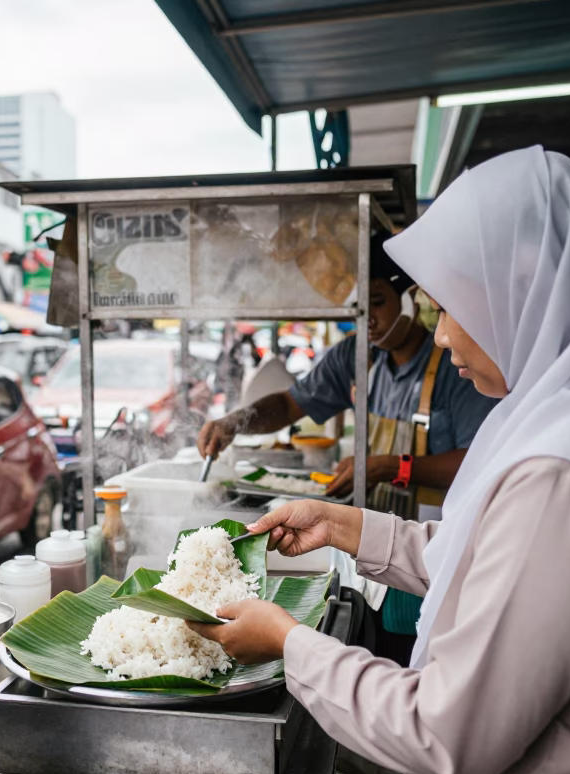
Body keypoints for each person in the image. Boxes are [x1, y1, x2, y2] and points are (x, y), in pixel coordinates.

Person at [188, 147, 570, 774]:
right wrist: (343, 526)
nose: (445, 334)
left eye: (454, 306)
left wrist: (287, 642)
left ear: (532, 293)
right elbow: (490, 565)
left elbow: (443, 731)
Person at [198, 233, 496, 661]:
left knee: (412, 659)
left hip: (429, 553)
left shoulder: (458, 367)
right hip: (365, 551)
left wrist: (392, 466)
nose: (367, 318)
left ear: (410, 301)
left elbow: (475, 462)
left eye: (377, 302)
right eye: (359, 306)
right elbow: (289, 402)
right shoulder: (357, 356)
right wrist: (236, 421)